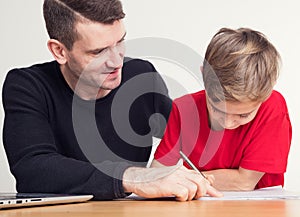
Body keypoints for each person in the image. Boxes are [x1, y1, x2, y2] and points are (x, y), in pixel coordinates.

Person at [2, 0, 221, 201]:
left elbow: (186, 135)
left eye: (120, 42)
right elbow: (33, 169)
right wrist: (135, 178)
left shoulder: (140, 76)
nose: (117, 61)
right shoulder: (27, 86)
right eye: (99, 52)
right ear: (59, 51)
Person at [152, 27, 292, 191]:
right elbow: (158, 174)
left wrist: (186, 180)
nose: (227, 122)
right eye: (217, 109)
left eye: (243, 115)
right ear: (204, 76)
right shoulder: (183, 109)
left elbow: (244, 182)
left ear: (266, 93)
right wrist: (160, 180)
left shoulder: (272, 106)